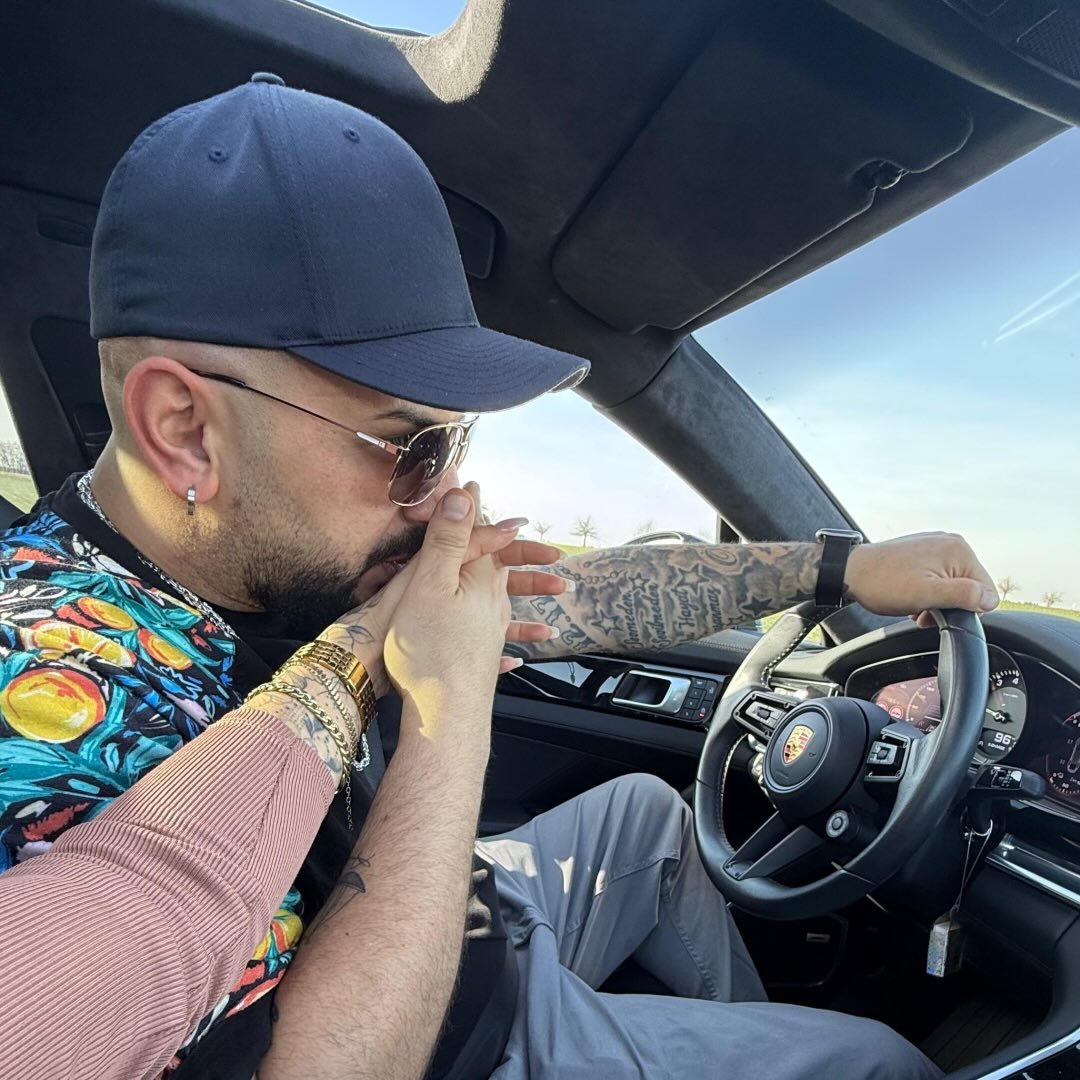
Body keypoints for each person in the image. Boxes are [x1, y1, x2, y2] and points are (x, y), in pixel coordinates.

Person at [0, 76, 1001, 1080]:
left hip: (473, 917)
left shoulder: (282, 550)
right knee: (879, 1062)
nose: (448, 498)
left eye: (455, 443)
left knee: (651, 816)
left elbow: (567, 598)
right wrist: (447, 710)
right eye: (410, 444)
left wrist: (837, 566)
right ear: (185, 429)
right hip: (446, 1037)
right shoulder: (55, 716)